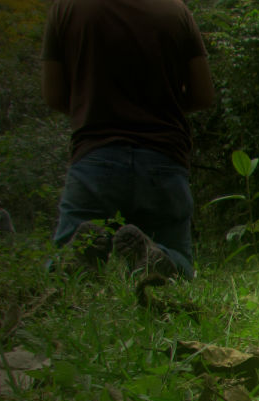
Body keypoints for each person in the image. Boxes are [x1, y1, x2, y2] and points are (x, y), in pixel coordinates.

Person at [42, 0, 215, 277]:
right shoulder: (175, 10)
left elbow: (53, 95)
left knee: (62, 261)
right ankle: (158, 255)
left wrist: (91, 108)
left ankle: (76, 257)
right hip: (163, 158)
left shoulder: (67, 8)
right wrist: (160, 108)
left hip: (94, 155)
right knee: (180, 261)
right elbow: (204, 95)